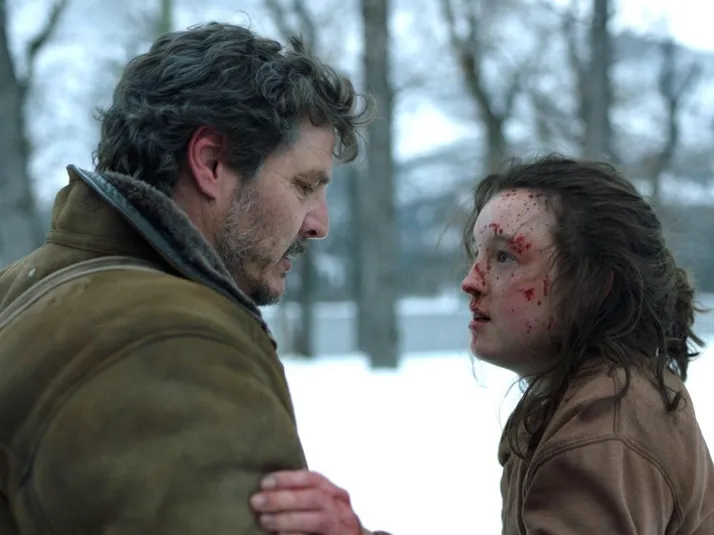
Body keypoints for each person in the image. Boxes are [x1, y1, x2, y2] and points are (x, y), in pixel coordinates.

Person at [0, 21, 390, 535]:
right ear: (211, 162)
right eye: (303, 186)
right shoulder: (177, 338)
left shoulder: (20, 289)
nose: (319, 224)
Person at [250, 155, 714, 534]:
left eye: (506, 257)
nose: (470, 281)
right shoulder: (600, 396)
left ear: (596, 287)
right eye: (477, 255)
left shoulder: (603, 429)